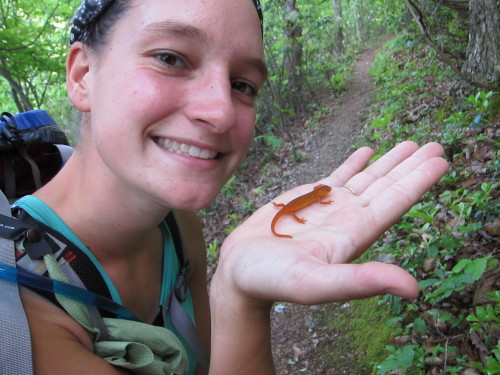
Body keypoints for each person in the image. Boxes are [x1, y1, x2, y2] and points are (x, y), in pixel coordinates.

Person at [13, 0, 449, 374]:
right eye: (170, 58)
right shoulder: (19, 319)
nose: (220, 111)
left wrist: (238, 297)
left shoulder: (179, 224)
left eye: (243, 85)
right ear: (83, 74)